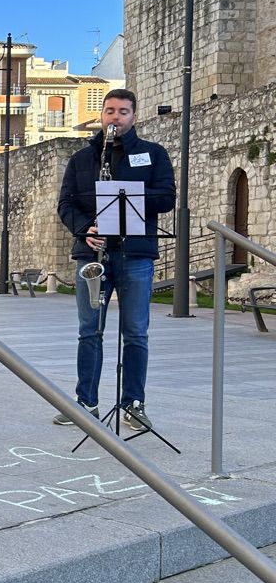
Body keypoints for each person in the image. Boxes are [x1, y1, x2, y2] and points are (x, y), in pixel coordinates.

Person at [54, 88, 175, 431]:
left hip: (136, 253)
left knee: (136, 332)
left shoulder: (153, 154)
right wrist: (85, 229)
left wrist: (125, 195)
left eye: (123, 112)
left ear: (134, 117)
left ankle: (134, 404)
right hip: (92, 254)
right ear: (101, 116)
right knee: (88, 331)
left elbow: (166, 197)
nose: (115, 117)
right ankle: (85, 403)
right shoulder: (81, 159)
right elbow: (65, 205)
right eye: (110, 111)